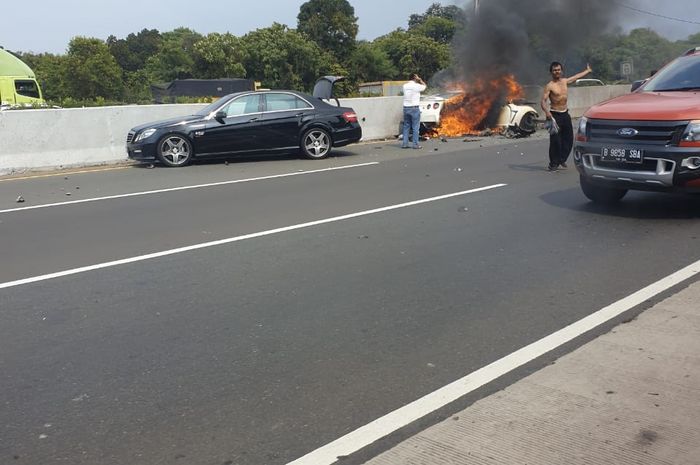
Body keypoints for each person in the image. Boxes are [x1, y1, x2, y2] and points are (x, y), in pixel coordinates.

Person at [541, 61, 592, 171]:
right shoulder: (549, 86)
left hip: (565, 114)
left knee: (568, 139)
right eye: (554, 70)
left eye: (558, 69)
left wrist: (587, 71)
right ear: (551, 72)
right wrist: (547, 113)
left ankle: (562, 159)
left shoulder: (564, 81)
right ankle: (553, 164)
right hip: (554, 116)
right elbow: (543, 102)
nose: (557, 72)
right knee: (555, 141)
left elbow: (576, 77)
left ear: (561, 71)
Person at [402, 73, 427, 149]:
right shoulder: (416, 86)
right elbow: (425, 87)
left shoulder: (404, 86)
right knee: (415, 127)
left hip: (406, 108)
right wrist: (420, 80)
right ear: (415, 78)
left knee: (406, 126)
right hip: (414, 108)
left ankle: (405, 144)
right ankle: (415, 144)